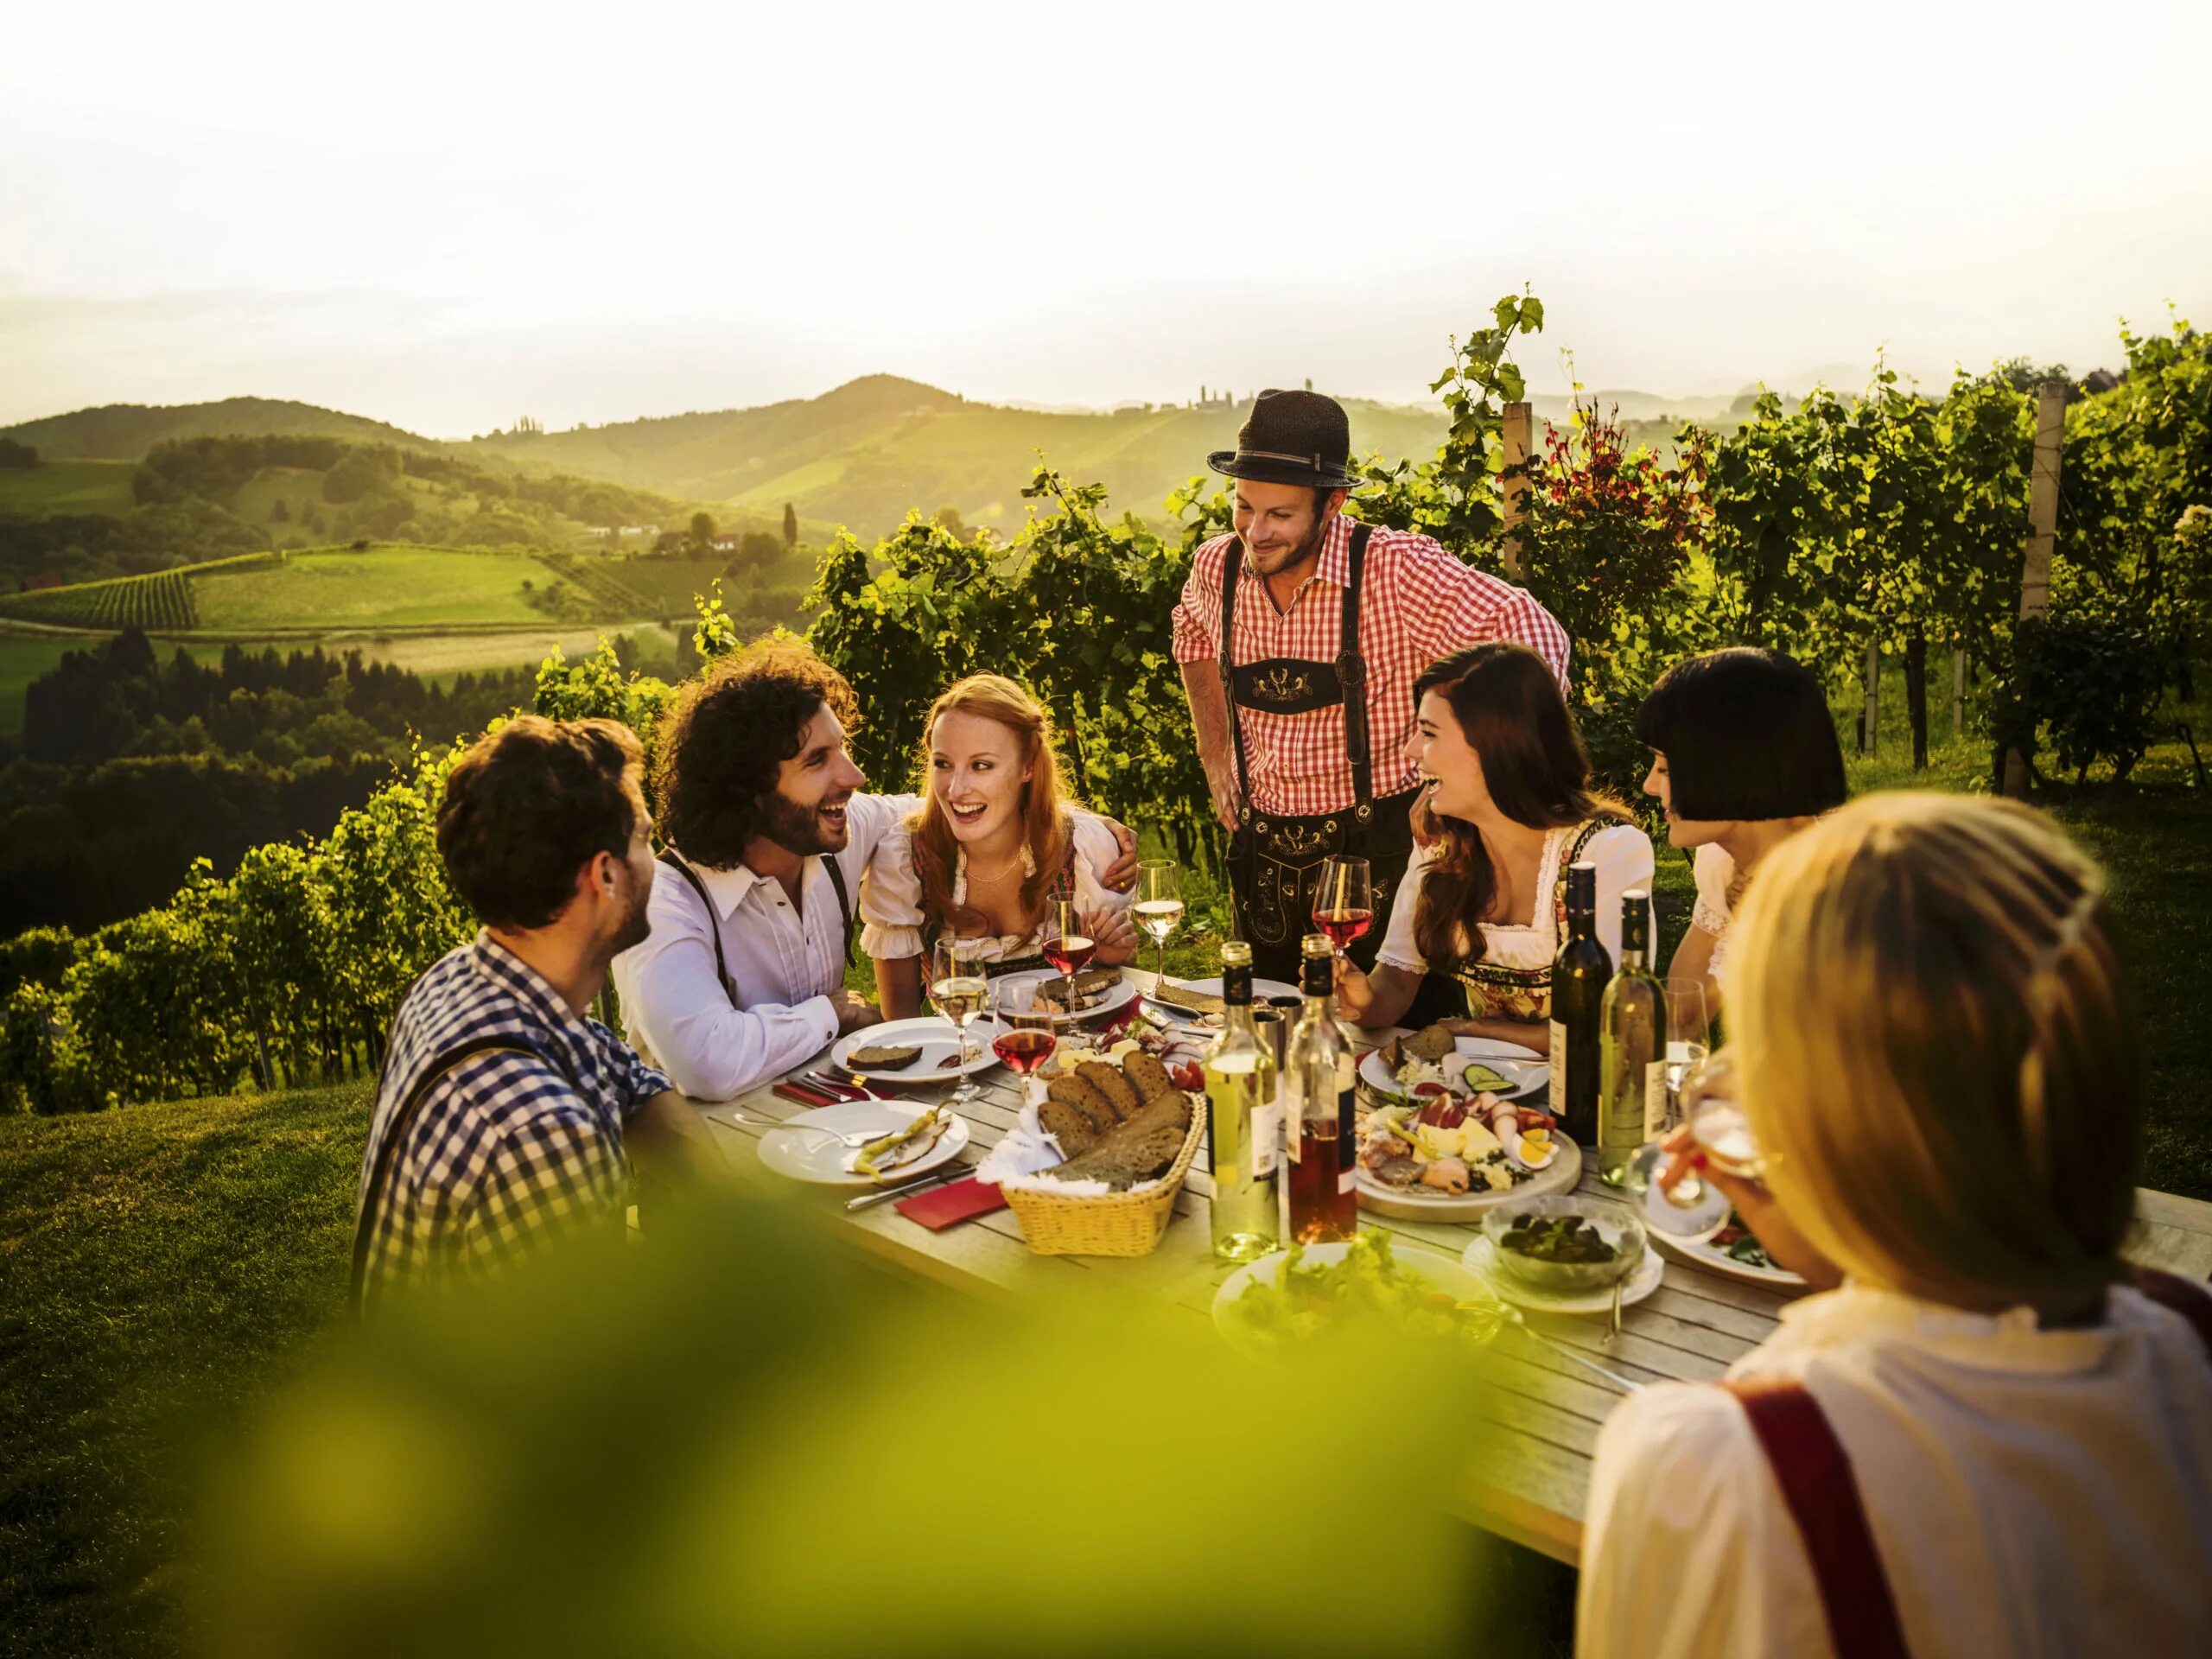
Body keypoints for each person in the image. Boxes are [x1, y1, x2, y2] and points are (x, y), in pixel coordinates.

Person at [1578, 794, 2212, 1658]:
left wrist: (1788, 1201)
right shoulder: (2188, 1338)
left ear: (1833, 1127)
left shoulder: (1722, 1467)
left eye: (1760, 1052)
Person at [613, 640, 1140, 1099]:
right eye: (818, 761)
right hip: (714, 1184)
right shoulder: (663, 905)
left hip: (834, 1131)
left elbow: (950, 808)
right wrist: (833, 1013)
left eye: (842, 748)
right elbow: (707, 1064)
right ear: (747, 790)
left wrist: (1085, 825)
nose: (854, 775)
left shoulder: (836, 829)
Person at [1173, 388, 1570, 988]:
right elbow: (1191, 636)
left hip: (1386, 857)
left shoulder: (1394, 570)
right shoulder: (1216, 569)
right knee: (1270, 1041)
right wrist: (1213, 750)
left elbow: (1532, 636)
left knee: (1401, 1054)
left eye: (1280, 514)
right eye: (1244, 507)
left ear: (1332, 504)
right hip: (1263, 861)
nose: (1255, 532)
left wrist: (1464, 775)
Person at [351, 715, 719, 1313]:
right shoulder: (539, 1132)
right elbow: (583, 1381)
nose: (657, 864)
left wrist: (723, 1199)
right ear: (604, 875)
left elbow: (625, 1077)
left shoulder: (454, 982)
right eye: (645, 841)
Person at [1332, 643, 1651, 1045]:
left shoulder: (1605, 852)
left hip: (1585, 1099)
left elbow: (1612, 1026)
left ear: (1496, 746)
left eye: (1428, 732)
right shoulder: (1441, 844)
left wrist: (1471, 1029)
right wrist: (1361, 1001)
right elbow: (1395, 984)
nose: (1412, 751)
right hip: (1480, 1097)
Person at [861, 675, 1136, 1015]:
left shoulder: (1083, 847)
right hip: (961, 1056)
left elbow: (1112, 993)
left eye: (981, 766)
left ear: (1027, 768)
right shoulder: (904, 861)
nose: (956, 789)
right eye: (943, 764)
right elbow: (901, 1026)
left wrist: (1113, 956)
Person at [1635, 647, 1847, 1009]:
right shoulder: (1721, 862)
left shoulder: (1842, 894)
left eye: (1666, 769)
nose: (1649, 787)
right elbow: (1682, 1018)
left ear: (1734, 772)